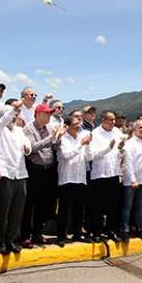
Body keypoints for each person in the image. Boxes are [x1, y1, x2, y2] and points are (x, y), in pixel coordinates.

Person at [0, 99, 31, 254]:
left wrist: (27, 148)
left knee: (17, 209)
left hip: (20, 173)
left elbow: (27, 145)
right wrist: (14, 108)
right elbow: (5, 119)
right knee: (3, 209)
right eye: (11, 115)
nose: (14, 118)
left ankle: (11, 239)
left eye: (15, 115)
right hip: (5, 173)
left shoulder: (19, 131)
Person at [22, 104, 64, 247]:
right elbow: (32, 148)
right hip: (34, 170)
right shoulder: (28, 128)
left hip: (48, 170)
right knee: (30, 204)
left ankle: (37, 234)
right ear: (38, 114)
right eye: (47, 114)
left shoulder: (48, 129)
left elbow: (54, 147)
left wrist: (58, 137)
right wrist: (50, 138)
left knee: (43, 204)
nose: (49, 117)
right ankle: (25, 236)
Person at [57, 110, 92, 246]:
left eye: (81, 119)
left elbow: (89, 157)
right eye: (77, 118)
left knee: (79, 208)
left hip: (80, 177)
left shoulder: (82, 136)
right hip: (66, 178)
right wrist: (81, 144)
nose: (80, 121)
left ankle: (77, 234)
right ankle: (61, 235)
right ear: (69, 122)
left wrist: (87, 146)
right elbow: (66, 155)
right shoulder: (63, 137)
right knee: (64, 209)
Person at [88, 111, 124, 242]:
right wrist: (108, 148)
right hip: (99, 174)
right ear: (103, 120)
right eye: (110, 120)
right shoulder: (95, 134)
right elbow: (92, 155)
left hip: (114, 172)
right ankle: (96, 232)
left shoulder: (117, 132)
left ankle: (111, 231)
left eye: (114, 119)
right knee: (97, 206)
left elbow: (121, 149)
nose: (113, 122)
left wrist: (121, 150)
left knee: (112, 205)